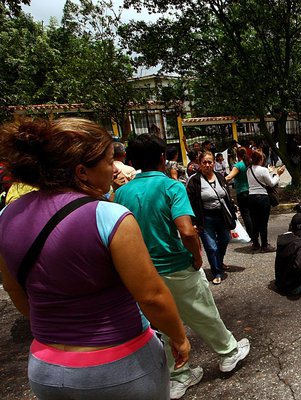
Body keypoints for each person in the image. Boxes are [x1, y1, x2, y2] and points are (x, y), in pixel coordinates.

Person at [0, 118, 190, 400]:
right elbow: (151, 296)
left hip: (46, 367)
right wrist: (179, 336)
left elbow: (16, 290)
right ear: (82, 171)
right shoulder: (108, 216)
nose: (114, 168)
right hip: (120, 367)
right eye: (108, 160)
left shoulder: (7, 216)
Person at [115, 135, 250, 399]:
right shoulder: (171, 187)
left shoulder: (121, 192)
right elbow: (187, 231)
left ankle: (179, 375)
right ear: (163, 158)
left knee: (163, 325)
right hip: (176, 264)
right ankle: (228, 353)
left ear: (132, 161)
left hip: (144, 272)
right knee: (202, 311)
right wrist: (197, 257)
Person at [187, 151, 237, 285]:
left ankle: (219, 261)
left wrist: (233, 210)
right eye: (204, 162)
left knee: (225, 239)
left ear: (214, 163)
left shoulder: (220, 177)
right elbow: (190, 202)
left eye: (210, 162)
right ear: (199, 164)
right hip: (205, 218)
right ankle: (217, 272)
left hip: (222, 216)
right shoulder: (194, 181)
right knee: (211, 247)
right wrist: (193, 222)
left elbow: (226, 196)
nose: (207, 165)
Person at [247, 150, 286, 252]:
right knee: (263, 222)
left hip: (251, 197)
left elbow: (258, 178)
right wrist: (278, 174)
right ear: (261, 159)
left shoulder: (249, 170)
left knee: (254, 222)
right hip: (262, 198)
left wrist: (268, 171)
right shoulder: (263, 170)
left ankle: (255, 243)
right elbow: (272, 183)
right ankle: (265, 245)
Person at [225, 147, 253, 237]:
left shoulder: (239, 165)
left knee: (246, 214)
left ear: (237, 155)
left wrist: (220, 180)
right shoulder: (250, 164)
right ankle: (256, 233)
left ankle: (251, 235)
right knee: (252, 214)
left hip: (242, 192)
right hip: (251, 191)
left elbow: (229, 177)